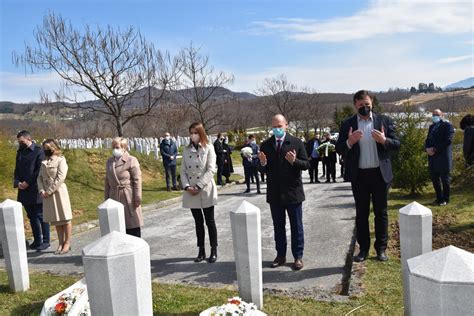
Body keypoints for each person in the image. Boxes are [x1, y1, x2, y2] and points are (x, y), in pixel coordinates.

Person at [336, 90, 400, 262]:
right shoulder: (347, 123)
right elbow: (339, 148)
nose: (365, 107)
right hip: (360, 176)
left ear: (372, 103)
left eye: (367, 104)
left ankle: (381, 249)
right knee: (361, 213)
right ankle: (363, 249)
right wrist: (350, 142)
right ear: (355, 105)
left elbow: (397, 143)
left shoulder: (384, 121)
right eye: (361, 105)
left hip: (380, 175)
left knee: (381, 213)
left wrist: (384, 141)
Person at [258, 114, 309, 270]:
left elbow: (306, 164)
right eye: (274, 127)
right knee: (278, 226)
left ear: (286, 125)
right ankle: (280, 255)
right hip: (275, 193)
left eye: (280, 126)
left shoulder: (296, 142)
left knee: (296, 226)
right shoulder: (266, 145)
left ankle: (298, 256)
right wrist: (262, 163)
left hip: (293, 192)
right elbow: (262, 169)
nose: (277, 129)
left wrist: (294, 161)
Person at [181, 122, 218, 263]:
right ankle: (201, 250)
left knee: (210, 221)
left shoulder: (209, 148)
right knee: (198, 222)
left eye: (195, 133)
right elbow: (183, 171)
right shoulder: (186, 150)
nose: (193, 135)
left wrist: (199, 185)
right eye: (191, 133)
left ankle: (213, 250)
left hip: (205, 188)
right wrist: (186, 187)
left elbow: (211, 169)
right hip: (191, 190)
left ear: (201, 133)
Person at [14, 130, 50, 251]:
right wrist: (17, 182)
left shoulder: (38, 151)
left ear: (28, 139)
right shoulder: (20, 152)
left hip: (35, 188)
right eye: (19, 142)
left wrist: (27, 182)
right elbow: (17, 169)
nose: (20, 143)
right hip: (23, 190)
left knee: (40, 215)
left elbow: (39, 170)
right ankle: (37, 240)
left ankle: (46, 240)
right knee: (31, 216)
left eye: (22, 141)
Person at [37, 139, 73, 254]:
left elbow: (61, 177)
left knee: (65, 218)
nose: (45, 150)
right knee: (56, 219)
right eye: (44, 148)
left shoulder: (61, 160)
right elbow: (39, 178)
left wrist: (50, 190)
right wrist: (42, 190)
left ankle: (67, 243)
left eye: (48, 148)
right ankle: (60, 243)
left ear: (54, 148)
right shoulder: (44, 162)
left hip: (58, 192)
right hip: (47, 194)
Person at [104, 137, 144, 237]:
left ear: (124, 148)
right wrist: (106, 199)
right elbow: (107, 181)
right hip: (114, 196)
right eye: (113, 147)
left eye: (117, 147)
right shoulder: (109, 162)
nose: (115, 149)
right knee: (118, 227)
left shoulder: (131, 160)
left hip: (128, 196)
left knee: (132, 224)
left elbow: (137, 179)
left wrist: (137, 197)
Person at [425, 109, 454, 206]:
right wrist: (427, 149)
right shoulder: (431, 127)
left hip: (443, 157)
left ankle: (445, 199)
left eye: (436, 114)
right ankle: (438, 198)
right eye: (433, 114)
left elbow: (448, 141)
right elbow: (428, 140)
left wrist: (435, 149)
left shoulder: (447, 126)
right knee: (434, 179)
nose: (434, 116)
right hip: (432, 158)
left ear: (442, 115)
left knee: (445, 180)